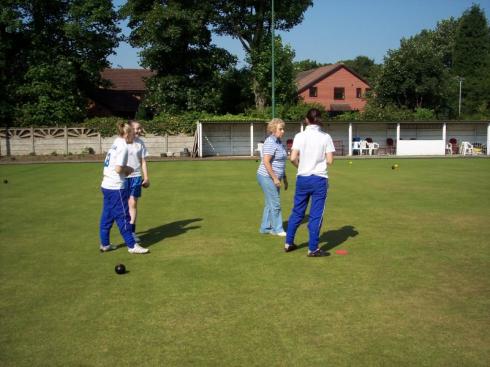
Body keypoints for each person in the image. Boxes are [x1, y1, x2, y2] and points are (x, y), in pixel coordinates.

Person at [284, 108, 335, 257]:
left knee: (297, 212)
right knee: (316, 215)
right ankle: (312, 248)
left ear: (306, 120)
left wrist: (302, 166)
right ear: (319, 120)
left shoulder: (299, 135)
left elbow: (292, 158)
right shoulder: (326, 137)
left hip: (302, 178)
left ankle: (289, 243)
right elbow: (330, 161)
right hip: (319, 179)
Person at [99, 122, 149, 254]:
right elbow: (118, 168)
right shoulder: (123, 147)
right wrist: (128, 169)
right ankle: (132, 246)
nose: (135, 136)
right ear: (127, 134)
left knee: (107, 216)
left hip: (106, 185)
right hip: (116, 188)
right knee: (123, 217)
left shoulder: (116, 141)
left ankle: (105, 244)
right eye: (132, 133)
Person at [257, 118, 288, 236]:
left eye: (283, 129)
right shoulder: (270, 142)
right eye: (280, 129)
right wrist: (275, 178)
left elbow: (280, 162)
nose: (283, 131)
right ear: (273, 130)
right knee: (275, 203)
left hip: (275, 177)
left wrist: (284, 178)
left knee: (270, 203)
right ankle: (278, 229)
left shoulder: (279, 142)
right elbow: (266, 161)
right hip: (266, 176)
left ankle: (265, 228)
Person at [126, 120, 150, 243]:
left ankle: (131, 232)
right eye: (137, 128)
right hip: (122, 178)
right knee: (122, 206)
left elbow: (143, 162)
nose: (140, 131)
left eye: (140, 128)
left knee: (133, 204)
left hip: (136, 177)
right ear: (130, 129)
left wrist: (146, 178)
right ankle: (124, 230)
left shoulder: (140, 143)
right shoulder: (121, 142)